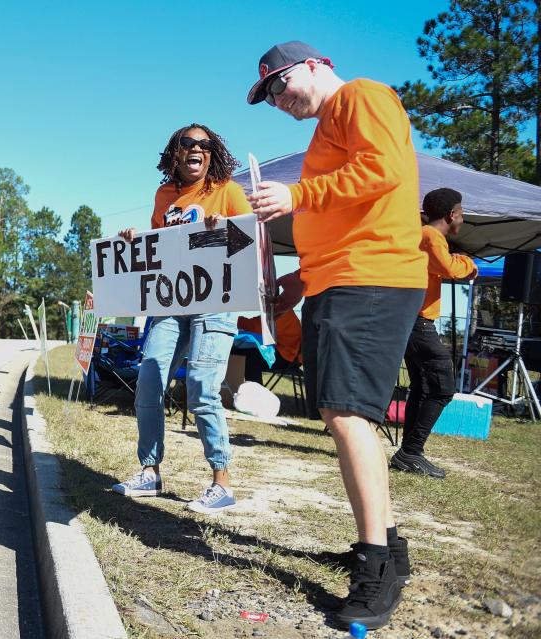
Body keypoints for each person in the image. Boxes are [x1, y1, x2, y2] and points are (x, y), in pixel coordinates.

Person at [245, 42, 427, 629]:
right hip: (342, 279)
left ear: (317, 65)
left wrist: (297, 195)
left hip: (370, 279)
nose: (276, 100)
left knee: (348, 414)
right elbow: (349, 218)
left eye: (278, 84)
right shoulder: (330, 125)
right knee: (338, 411)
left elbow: (384, 171)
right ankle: (387, 549)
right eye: (267, 95)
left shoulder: (361, 96)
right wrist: (301, 279)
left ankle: (376, 566)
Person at [111, 123, 250, 516]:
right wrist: (135, 241)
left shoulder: (228, 191)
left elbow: (251, 242)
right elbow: (160, 253)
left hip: (216, 302)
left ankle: (221, 483)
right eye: (188, 144)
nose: (196, 150)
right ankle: (150, 472)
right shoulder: (164, 195)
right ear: (175, 151)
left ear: (213, 153)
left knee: (203, 388)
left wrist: (221, 232)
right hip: (170, 305)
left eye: (204, 145)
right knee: (148, 381)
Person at [392, 188, 477, 479]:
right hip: (418, 322)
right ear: (452, 214)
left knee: (425, 387)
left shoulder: (423, 236)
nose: (462, 220)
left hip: (412, 320)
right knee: (443, 386)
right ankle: (411, 452)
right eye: (462, 214)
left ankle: (409, 453)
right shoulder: (430, 236)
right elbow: (450, 268)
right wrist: (469, 263)